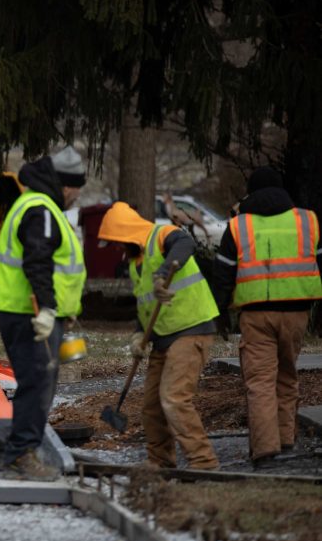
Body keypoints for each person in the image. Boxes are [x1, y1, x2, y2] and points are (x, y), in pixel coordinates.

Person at [0, 146, 87, 481]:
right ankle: (21, 455)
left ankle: (23, 451)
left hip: (26, 310)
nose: (75, 196)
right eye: (76, 188)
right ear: (65, 185)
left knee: (38, 381)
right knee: (37, 382)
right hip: (27, 312)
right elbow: (38, 261)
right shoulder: (41, 209)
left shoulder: (37, 205)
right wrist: (47, 308)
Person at [212, 167, 322, 467]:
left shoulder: (239, 226)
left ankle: (265, 449)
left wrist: (218, 314)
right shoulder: (306, 220)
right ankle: (286, 440)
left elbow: (222, 273)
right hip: (298, 313)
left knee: (260, 381)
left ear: (250, 192)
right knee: (288, 375)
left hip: (256, 315)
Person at [98, 202, 220, 470]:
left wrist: (164, 272)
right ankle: (160, 462)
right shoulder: (135, 264)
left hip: (191, 329)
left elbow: (186, 244)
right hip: (163, 338)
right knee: (152, 407)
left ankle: (204, 462)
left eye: (117, 242)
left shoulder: (162, 235)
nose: (118, 248)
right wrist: (139, 335)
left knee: (174, 398)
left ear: (126, 233)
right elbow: (146, 306)